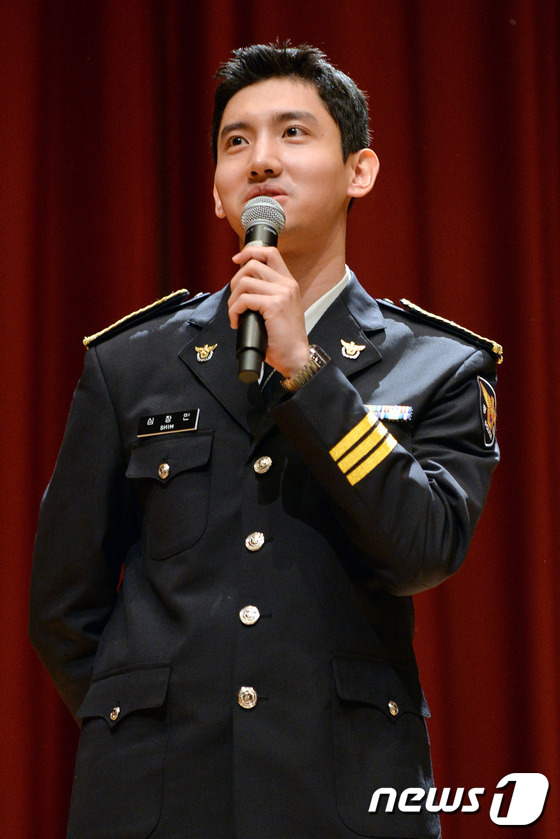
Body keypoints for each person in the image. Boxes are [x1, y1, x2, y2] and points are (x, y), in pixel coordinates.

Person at [30, 42, 502, 839]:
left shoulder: (440, 365)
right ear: (218, 193)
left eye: (293, 133)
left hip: (345, 795)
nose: (260, 160)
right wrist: (149, 722)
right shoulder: (130, 362)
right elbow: (62, 607)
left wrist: (307, 372)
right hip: (155, 799)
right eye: (236, 141)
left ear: (361, 171)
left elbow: (422, 547)